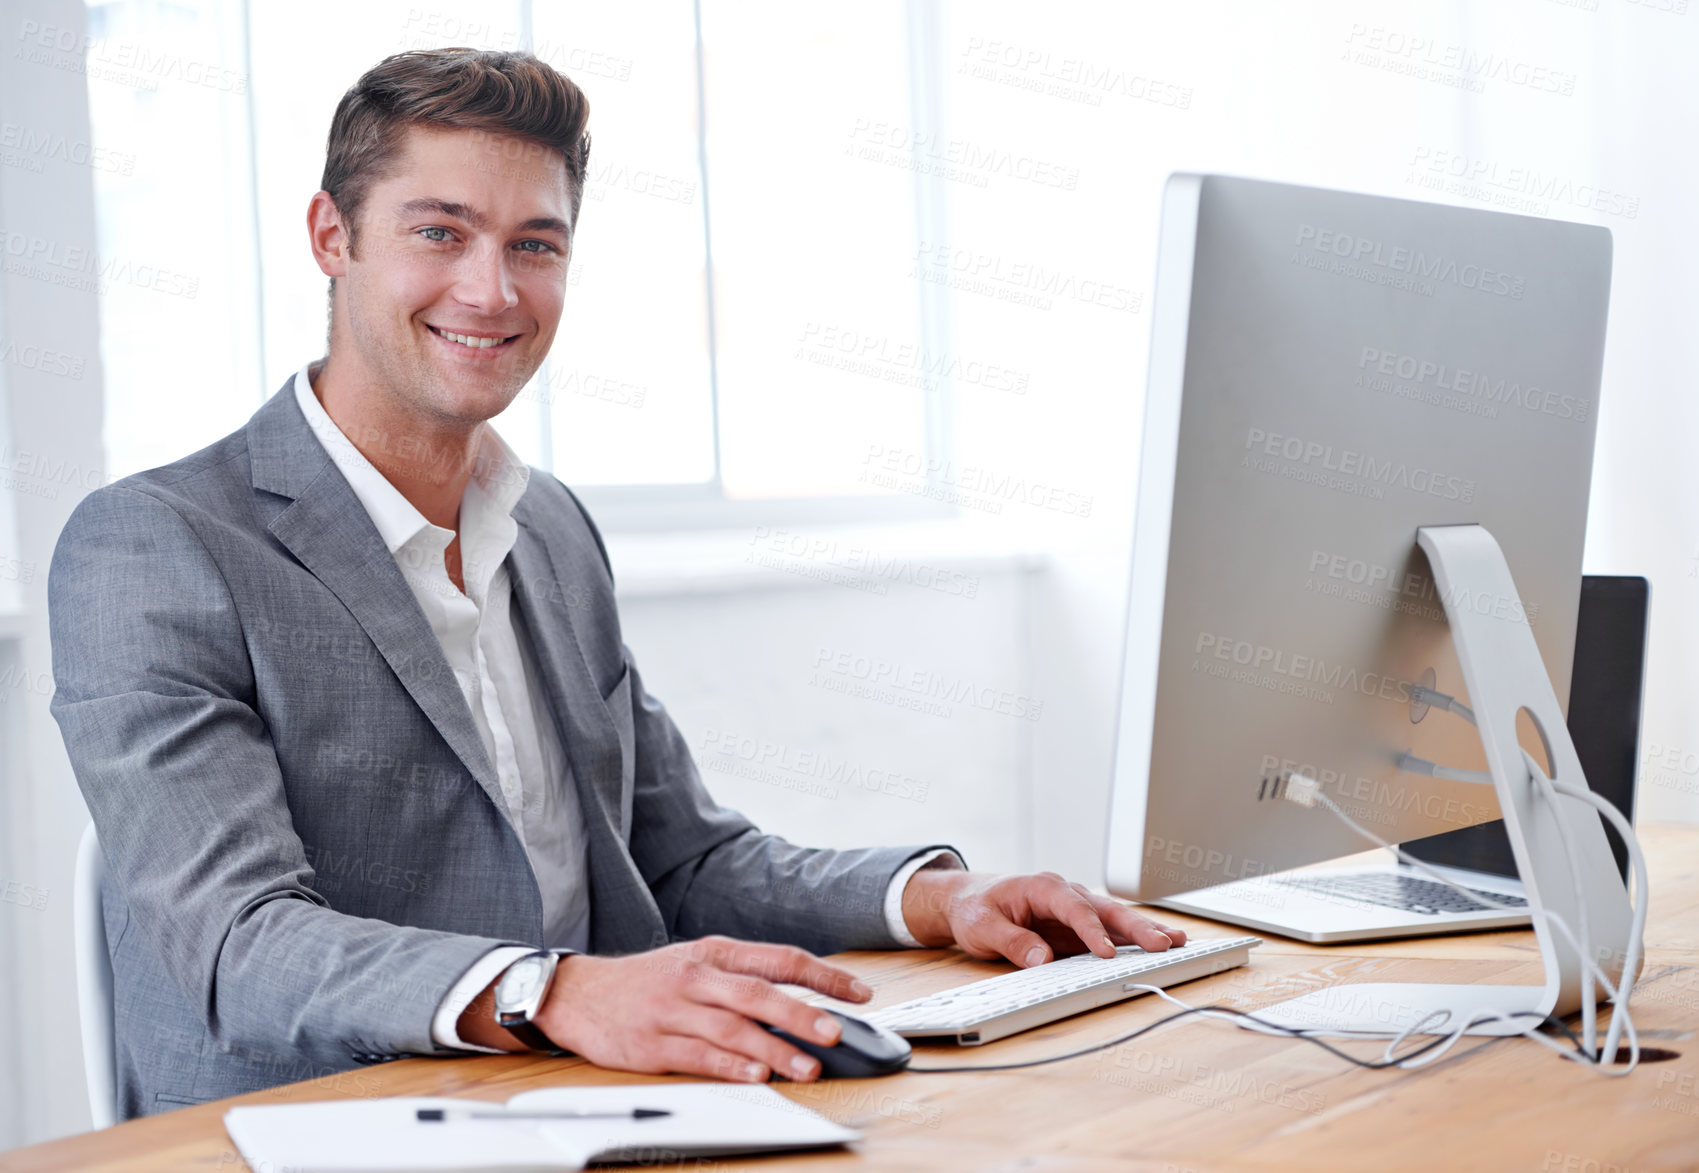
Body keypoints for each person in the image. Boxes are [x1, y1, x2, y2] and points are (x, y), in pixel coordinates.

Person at [47, 47, 1182, 1119]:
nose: (490, 291)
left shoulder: (543, 529)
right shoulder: (157, 546)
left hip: (566, 1103)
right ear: (330, 235)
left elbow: (678, 857)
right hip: (311, 1124)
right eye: (438, 232)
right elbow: (237, 941)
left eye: (534, 246)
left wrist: (934, 898)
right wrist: (561, 990)